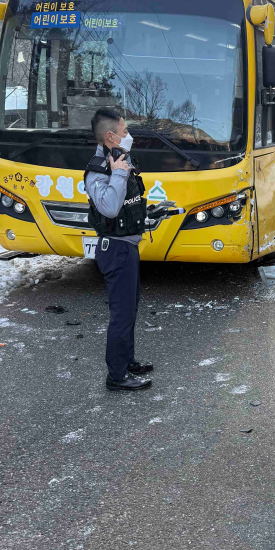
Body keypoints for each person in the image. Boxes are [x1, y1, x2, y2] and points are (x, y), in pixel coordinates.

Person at [85, 107, 153, 392]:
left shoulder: (118, 161)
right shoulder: (99, 170)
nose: (129, 136)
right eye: (125, 132)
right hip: (115, 249)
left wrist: (151, 214)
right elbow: (110, 207)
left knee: (131, 308)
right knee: (122, 314)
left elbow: (127, 206)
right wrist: (118, 174)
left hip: (127, 246)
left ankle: (127, 361)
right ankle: (117, 376)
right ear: (111, 136)